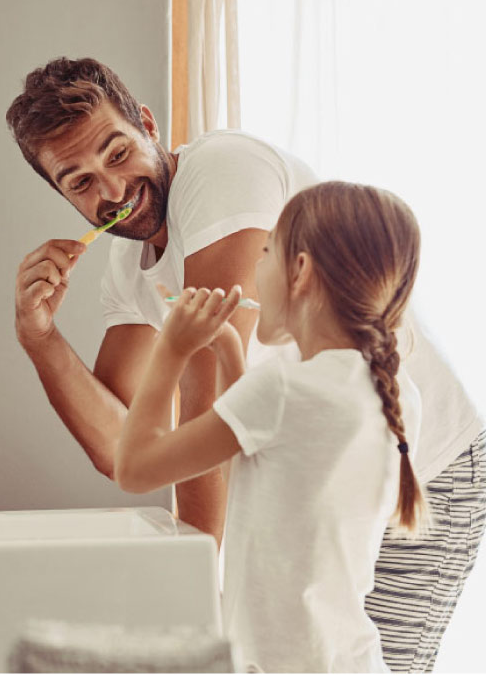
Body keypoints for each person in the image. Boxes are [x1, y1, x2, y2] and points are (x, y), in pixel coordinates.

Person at [6, 57, 486, 672]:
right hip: (317, 486)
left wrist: (197, 605)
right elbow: (120, 443)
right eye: (79, 182)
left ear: (148, 125)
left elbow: (196, 402)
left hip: (424, 469)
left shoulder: (221, 172)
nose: (112, 191)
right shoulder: (129, 272)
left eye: (117, 153)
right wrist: (39, 337)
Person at [116, 181, 424, 671]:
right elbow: (258, 484)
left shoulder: (282, 390)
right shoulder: (393, 390)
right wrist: (230, 354)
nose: (256, 269)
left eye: (266, 252)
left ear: (299, 270)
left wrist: (171, 349)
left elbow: (133, 468)